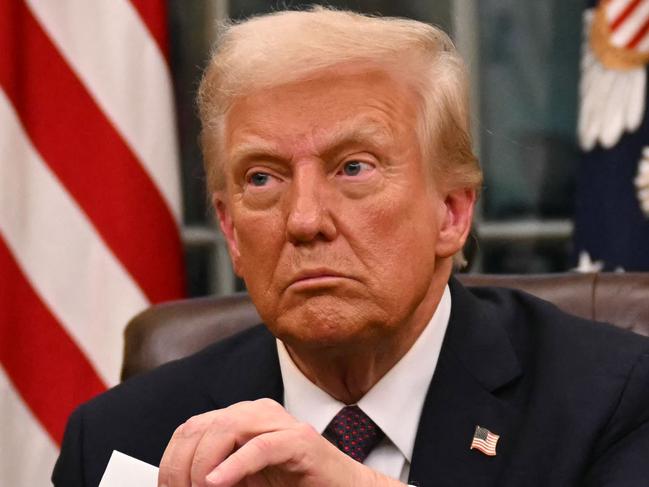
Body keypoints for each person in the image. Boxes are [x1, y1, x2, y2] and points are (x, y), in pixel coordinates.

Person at [53, 7, 649, 487]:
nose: (305, 220)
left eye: (354, 168)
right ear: (231, 231)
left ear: (452, 212)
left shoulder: (612, 401)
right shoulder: (122, 437)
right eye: (262, 178)